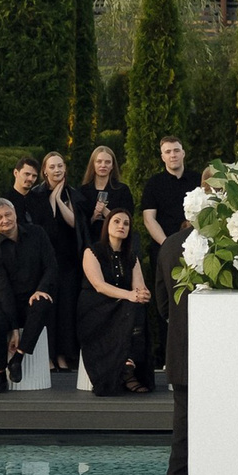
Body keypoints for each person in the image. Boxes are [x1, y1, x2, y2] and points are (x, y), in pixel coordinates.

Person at [73, 146, 141, 366]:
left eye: (107, 162)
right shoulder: (83, 191)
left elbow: (128, 219)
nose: (103, 165)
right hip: (94, 251)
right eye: (99, 161)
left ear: (113, 165)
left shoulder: (122, 190)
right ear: (93, 164)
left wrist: (107, 214)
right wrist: (94, 217)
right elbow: (79, 225)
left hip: (119, 252)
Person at [0, 195, 62, 382]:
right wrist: (14, 329)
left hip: (34, 295)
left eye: (8, 214)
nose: (5, 220)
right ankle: (0, 375)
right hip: (7, 301)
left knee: (42, 303)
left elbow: (51, 266)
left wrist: (41, 289)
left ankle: (18, 358)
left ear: (15, 214)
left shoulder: (37, 233)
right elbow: (3, 290)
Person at [77, 206, 151, 395]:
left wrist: (142, 294)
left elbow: (139, 288)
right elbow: (99, 286)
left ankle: (129, 362)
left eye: (126, 223)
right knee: (130, 304)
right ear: (107, 225)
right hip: (96, 308)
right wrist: (129, 295)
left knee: (138, 306)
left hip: (122, 307)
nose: (121, 226)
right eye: (116, 221)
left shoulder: (131, 256)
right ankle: (127, 368)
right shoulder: (92, 251)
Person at [140, 136, 201, 346]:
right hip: (165, 251)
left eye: (176, 150)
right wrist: (169, 246)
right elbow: (149, 219)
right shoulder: (154, 184)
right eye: (168, 152)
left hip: (197, 251)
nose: (172, 155)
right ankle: (168, 356)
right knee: (167, 303)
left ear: (183, 153)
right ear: (162, 156)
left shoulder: (197, 181)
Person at [38, 151, 82, 372]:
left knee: (66, 309)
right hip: (46, 260)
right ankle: (48, 355)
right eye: (52, 167)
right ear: (44, 170)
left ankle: (63, 355)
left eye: (60, 166)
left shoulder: (72, 194)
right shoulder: (37, 194)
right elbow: (48, 225)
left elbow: (74, 223)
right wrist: (50, 199)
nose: (57, 170)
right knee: (48, 309)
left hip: (68, 260)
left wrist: (57, 199)